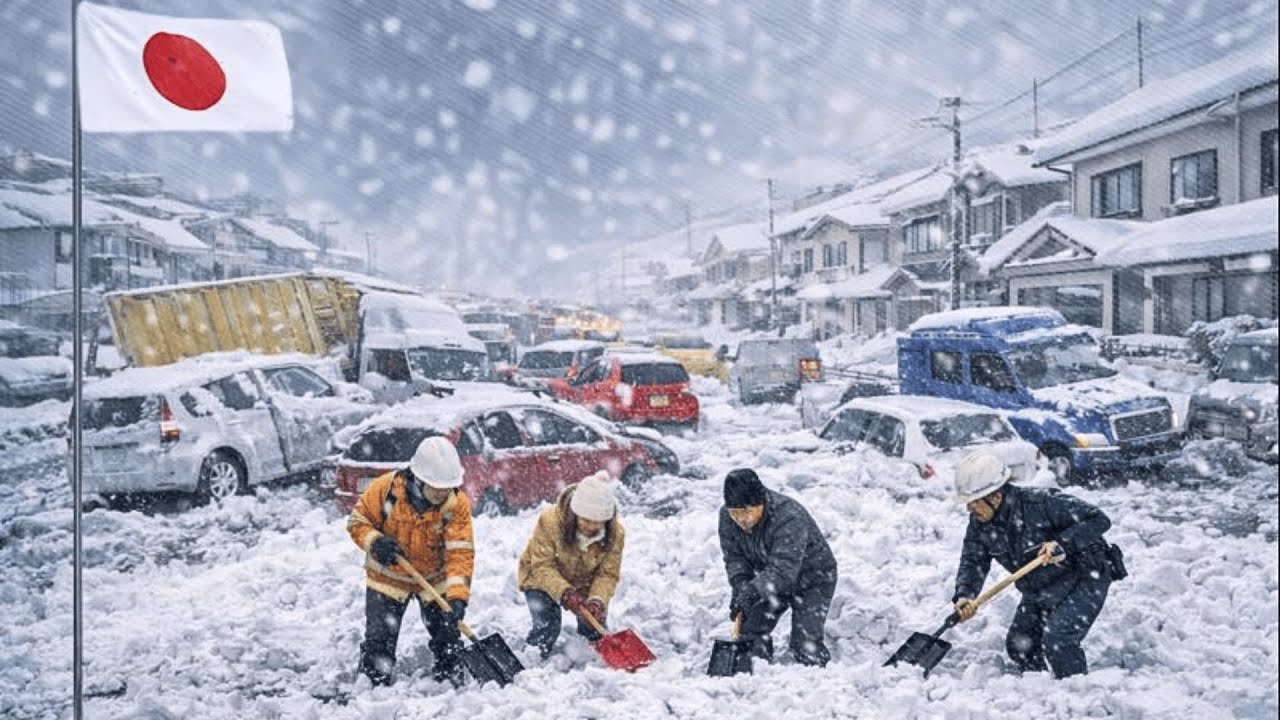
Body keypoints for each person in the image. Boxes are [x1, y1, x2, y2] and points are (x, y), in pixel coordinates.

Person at [951, 450, 1122, 679]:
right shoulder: (980, 523)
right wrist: (965, 594)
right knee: (1020, 646)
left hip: (1085, 577)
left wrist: (1061, 544)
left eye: (973, 503)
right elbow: (973, 560)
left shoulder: (1042, 503)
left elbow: (1098, 519)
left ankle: (1077, 695)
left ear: (995, 496)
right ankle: (1038, 689)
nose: (969, 510)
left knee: (1059, 641)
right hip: (1040, 587)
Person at [346, 436, 475, 685]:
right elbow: (357, 522)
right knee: (379, 642)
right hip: (387, 579)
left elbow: (460, 553)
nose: (440, 494)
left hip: (433, 580)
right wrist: (375, 542)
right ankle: (373, 689)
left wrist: (458, 598)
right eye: (435, 488)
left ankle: (450, 678)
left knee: (447, 636)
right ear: (418, 478)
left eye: (446, 488)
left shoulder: (455, 505)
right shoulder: (385, 491)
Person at [718, 468, 837, 666]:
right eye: (735, 513)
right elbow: (734, 557)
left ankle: (817, 682)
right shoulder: (726, 518)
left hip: (813, 579)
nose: (742, 520)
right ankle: (757, 672)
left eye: (748, 512)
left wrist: (753, 591)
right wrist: (740, 585)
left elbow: (783, 568)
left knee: (805, 645)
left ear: (761, 503)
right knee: (749, 631)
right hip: (768, 578)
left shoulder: (788, 516)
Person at [517, 470, 624, 658]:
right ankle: (531, 661)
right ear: (575, 513)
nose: (590, 526)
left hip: (584, 580)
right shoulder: (550, 522)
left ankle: (597, 663)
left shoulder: (615, 534)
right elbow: (542, 566)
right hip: (540, 577)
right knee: (548, 627)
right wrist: (565, 592)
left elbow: (607, 574)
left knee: (594, 629)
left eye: (597, 522)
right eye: (585, 520)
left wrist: (597, 600)